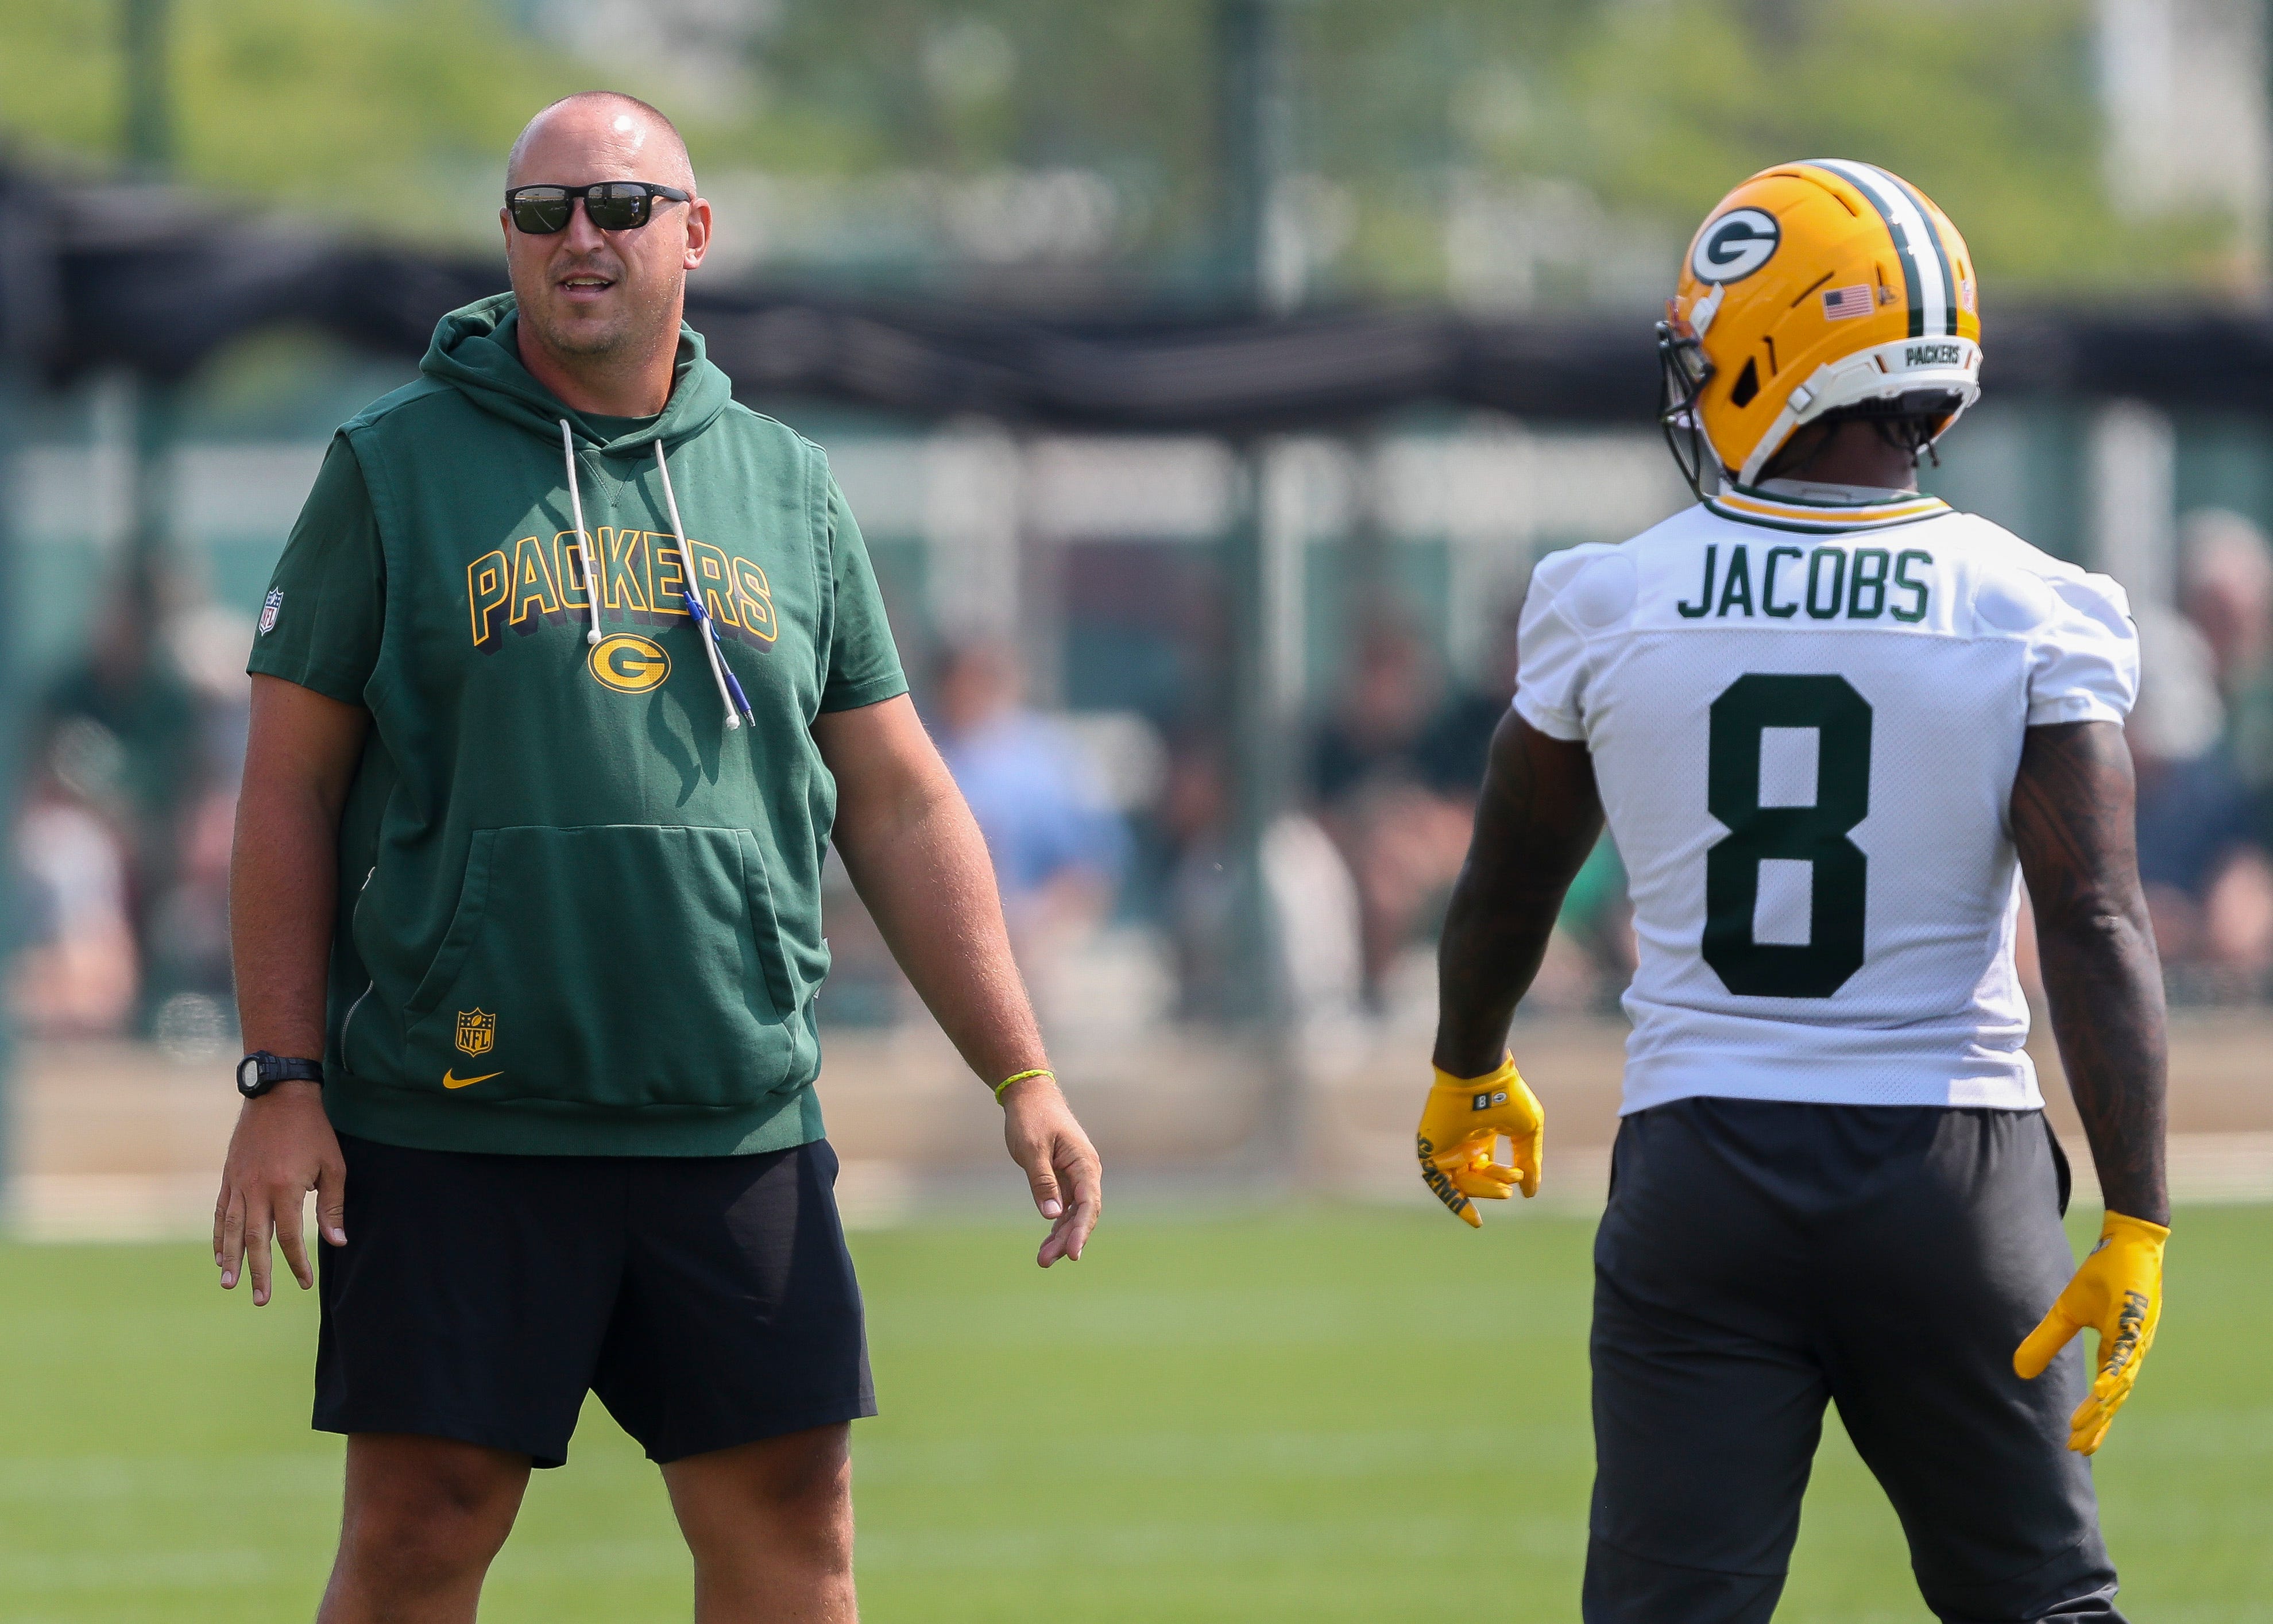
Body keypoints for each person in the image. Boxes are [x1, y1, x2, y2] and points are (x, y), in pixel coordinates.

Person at [212, 91, 1101, 1624]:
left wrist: (1020, 1070)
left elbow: (893, 797)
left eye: (618, 209)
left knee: (789, 1530)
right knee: (421, 1529)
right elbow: (286, 787)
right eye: (541, 211)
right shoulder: (390, 467)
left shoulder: (787, 484)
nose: (579, 240)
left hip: (729, 1109)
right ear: (504, 240)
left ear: (692, 234)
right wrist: (280, 1079)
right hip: (455, 1114)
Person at [1416, 161, 2168, 1622]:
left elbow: (1508, 878)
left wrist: (1467, 1061)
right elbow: (2091, 918)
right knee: (2041, 1608)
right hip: (1955, 1178)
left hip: (1705, 1167)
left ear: (1778, 344)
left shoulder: (1609, 593)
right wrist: (2134, 1211)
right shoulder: (2030, 602)